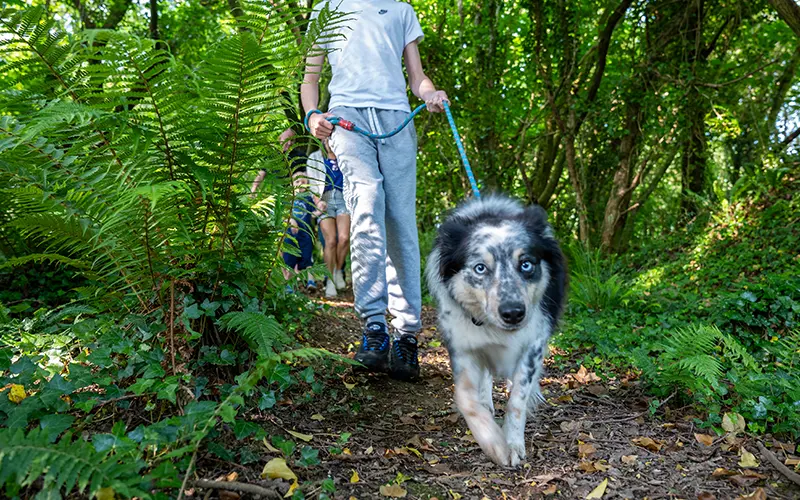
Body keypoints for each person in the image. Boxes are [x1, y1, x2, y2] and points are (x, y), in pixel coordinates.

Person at [302, 0, 449, 381]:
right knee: (366, 207)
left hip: (397, 121)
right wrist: (312, 115)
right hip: (347, 119)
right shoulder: (326, 9)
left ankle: (406, 335)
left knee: (400, 222)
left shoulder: (401, 10)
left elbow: (417, 78)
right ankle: (373, 327)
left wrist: (431, 94)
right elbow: (310, 80)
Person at [309, 141, 350, 298]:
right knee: (330, 241)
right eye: (326, 140)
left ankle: (338, 270)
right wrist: (318, 202)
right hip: (324, 200)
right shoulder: (315, 158)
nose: (330, 143)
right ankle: (330, 280)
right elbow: (312, 183)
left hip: (343, 200)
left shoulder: (346, 157)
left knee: (344, 239)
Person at [282, 154, 327, 293]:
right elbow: (283, 216)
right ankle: (289, 285)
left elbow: (312, 214)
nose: (301, 184)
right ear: (292, 184)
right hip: (291, 235)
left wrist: (320, 210)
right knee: (289, 260)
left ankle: (311, 281)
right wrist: (291, 220)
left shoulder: (309, 198)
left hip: (306, 235)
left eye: (304, 181)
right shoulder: (289, 199)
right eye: (297, 182)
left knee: (307, 259)